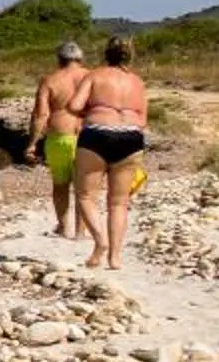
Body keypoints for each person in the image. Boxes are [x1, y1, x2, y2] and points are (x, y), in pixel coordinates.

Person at [74, 36, 149, 270]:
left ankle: (100, 242)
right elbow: (143, 118)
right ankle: (115, 257)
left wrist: (93, 110)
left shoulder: (94, 76)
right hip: (130, 137)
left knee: (86, 196)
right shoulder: (137, 82)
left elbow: (74, 105)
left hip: (97, 135)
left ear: (106, 53)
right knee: (119, 202)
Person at [29, 40, 95, 240]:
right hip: (88, 136)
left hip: (59, 136)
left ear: (59, 59)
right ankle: (80, 232)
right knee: (84, 188)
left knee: (61, 185)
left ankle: (63, 227)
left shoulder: (50, 80)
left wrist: (32, 143)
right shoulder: (93, 77)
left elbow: (41, 115)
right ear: (81, 59)